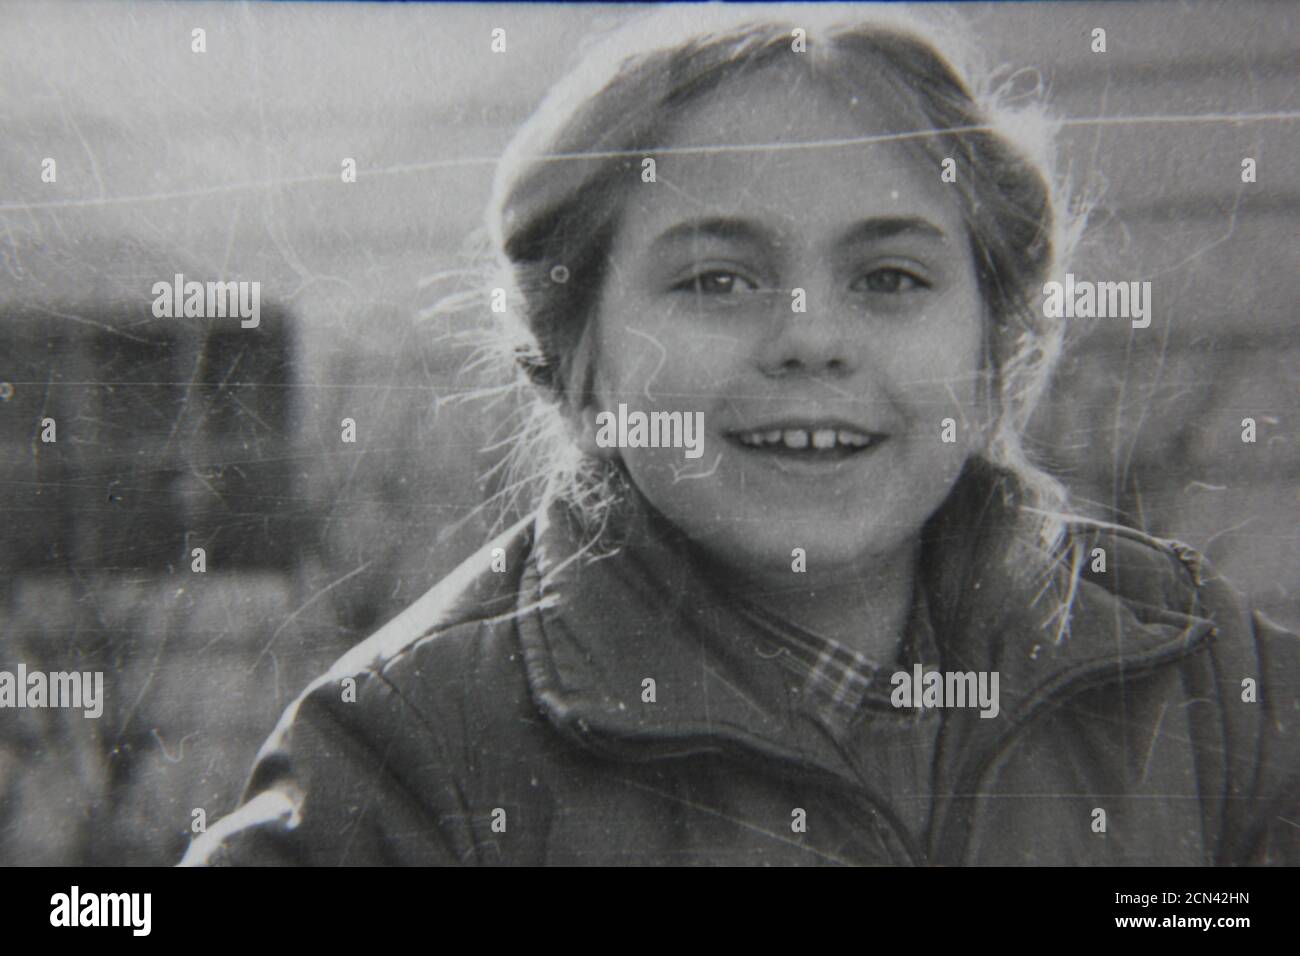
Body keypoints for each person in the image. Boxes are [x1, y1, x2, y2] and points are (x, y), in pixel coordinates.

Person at [182, 7, 1298, 866]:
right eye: (717, 278)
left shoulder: (1201, 679)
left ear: (997, 344)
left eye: (890, 276)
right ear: (578, 357)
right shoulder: (406, 757)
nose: (810, 340)